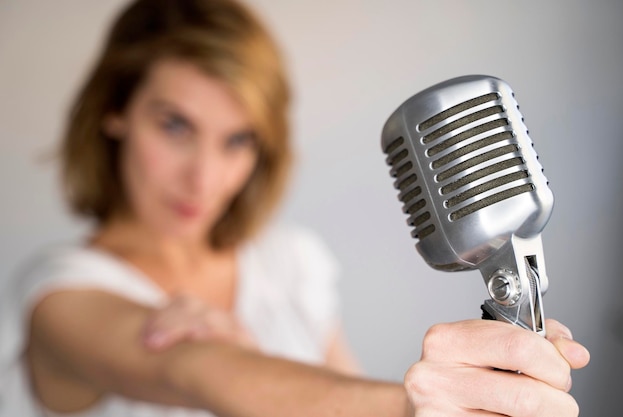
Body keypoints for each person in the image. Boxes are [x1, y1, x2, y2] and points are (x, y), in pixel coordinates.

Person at [0, 0, 590, 416]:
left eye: (238, 140)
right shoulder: (60, 294)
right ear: (115, 112)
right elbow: (194, 371)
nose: (204, 176)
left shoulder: (290, 261)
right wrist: (410, 407)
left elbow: (330, 393)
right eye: (175, 125)